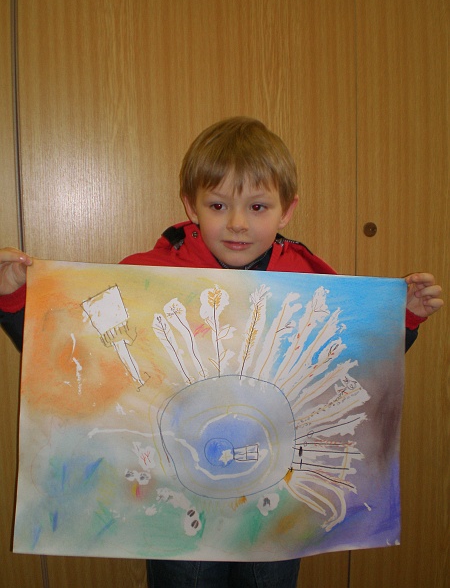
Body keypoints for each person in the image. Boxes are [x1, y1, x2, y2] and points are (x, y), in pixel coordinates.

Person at [0, 117, 444, 587]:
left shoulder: (312, 284)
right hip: (176, 496)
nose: (237, 223)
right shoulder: (146, 279)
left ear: (287, 211)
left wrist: (401, 319)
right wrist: (14, 300)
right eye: (218, 205)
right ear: (190, 205)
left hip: (276, 502)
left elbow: (352, 368)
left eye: (258, 206)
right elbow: (74, 365)